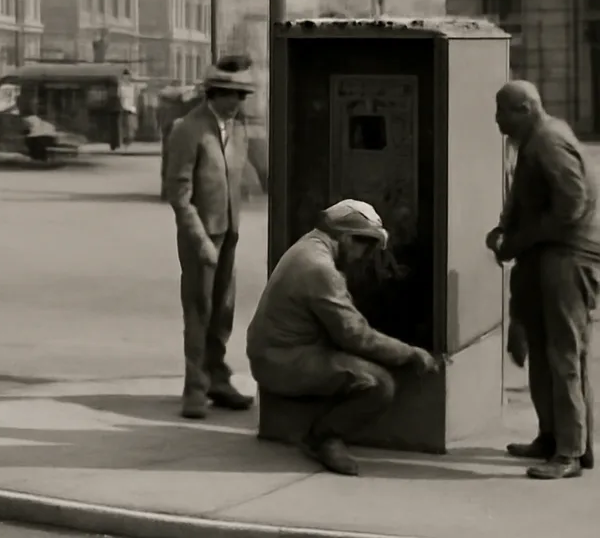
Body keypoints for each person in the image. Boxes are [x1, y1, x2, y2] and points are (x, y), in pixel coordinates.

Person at [246, 199, 440, 477]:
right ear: (348, 239)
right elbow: (356, 336)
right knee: (379, 384)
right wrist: (410, 353)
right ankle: (323, 437)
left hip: (276, 350)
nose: (365, 255)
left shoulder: (309, 246)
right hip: (281, 361)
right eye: (366, 245)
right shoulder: (320, 269)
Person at [487, 80, 600, 480]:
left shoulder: (548, 142)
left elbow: (572, 204)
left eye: (502, 111)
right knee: (545, 348)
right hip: (548, 255)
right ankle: (554, 438)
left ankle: (569, 451)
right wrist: (509, 232)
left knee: (564, 355)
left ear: (525, 108)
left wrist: (518, 240)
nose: (497, 119)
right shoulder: (536, 142)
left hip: (566, 258)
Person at [164, 55, 256, 420]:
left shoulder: (236, 130)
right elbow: (179, 192)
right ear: (214, 93)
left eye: (242, 95)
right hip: (201, 235)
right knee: (199, 310)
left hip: (229, 231)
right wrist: (199, 239)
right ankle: (195, 388)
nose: (237, 102)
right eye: (231, 94)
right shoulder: (189, 128)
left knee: (224, 311)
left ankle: (218, 378)